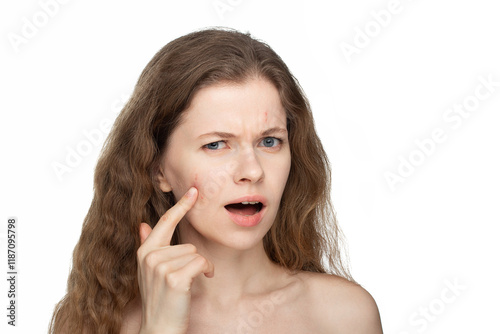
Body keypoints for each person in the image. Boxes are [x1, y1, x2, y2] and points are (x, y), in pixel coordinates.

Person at [50, 27, 383, 334]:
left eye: (269, 141)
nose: (252, 171)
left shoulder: (345, 316)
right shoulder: (97, 323)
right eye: (215, 144)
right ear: (158, 170)